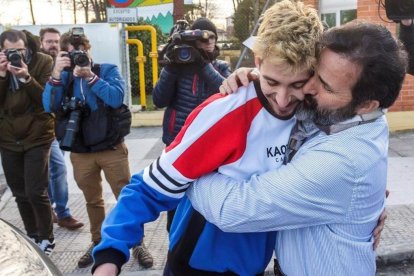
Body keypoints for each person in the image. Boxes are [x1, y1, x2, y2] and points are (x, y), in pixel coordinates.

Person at [92, 1, 323, 275]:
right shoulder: (226, 112)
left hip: (255, 267)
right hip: (196, 266)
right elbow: (147, 188)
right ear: (258, 62)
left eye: (296, 85)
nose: (284, 101)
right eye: (272, 82)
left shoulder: (315, 112)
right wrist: (110, 255)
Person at [186, 20, 408, 275]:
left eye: (325, 86)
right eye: (314, 73)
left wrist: (187, 164)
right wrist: (261, 79)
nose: (308, 88)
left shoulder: (342, 163)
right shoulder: (354, 117)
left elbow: (231, 209)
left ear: (366, 105)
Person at [41, 28, 153, 268]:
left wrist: (91, 77)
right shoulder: (64, 77)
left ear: (87, 49)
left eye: (79, 52)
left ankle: (137, 243)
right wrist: (57, 73)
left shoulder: (107, 70)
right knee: (92, 200)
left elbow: (115, 98)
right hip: (81, 151)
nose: (76, 59)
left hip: (111, 147)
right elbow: (49, 105)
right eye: (70, 55)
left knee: (125, 196)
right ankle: (98, 241)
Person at [152, 17, 231, 234]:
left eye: (211, 38)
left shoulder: (221, 67)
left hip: (212, 146)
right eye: (201, 38)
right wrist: (171, 68)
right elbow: (159, 100)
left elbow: (226, 92)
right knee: (175, 200)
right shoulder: (176, 66)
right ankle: (174, 243)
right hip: (177, 144)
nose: (207, 43)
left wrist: (202, 64)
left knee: (206, 203)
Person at [0, 29, 55, 255]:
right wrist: (2, 76)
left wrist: (25, 77)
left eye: (20, 51)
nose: (15, 55)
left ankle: (47, 238)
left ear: (27, 47)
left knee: (35, 191)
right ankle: (32, 236)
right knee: (19, 192)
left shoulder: (43, 61)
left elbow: (45, 100)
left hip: (37, 134)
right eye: (9, 51)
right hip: (8, 137)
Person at [39, 27, 84, 230]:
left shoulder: (68, 62)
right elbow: (44, 100)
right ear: (41, 43)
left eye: (56, 42)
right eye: (49, 41)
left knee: (57, 169)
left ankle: (62, 213)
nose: (53, 45)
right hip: (38, 129)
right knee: (46, 172)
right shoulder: (39, 64)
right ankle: (50, 211)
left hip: (56, 128)